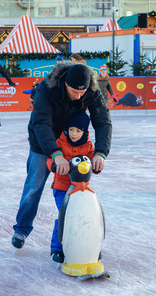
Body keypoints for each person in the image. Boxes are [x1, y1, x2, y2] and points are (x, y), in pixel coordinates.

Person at [11, 62, 112, 250]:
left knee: (74, 189)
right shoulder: (47, 88)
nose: (78, 96)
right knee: (34, 186)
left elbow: (103, 121)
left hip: (71, 143)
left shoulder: (91, 90)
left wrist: (100, 152)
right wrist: (55, 154)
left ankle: (73, 234)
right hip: (43, 144)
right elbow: (41, 123)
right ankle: (22, 229)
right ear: (65, 83)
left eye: (82, 93)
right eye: (75, 92)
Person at [46, 111, 96, 264]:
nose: (74, 134)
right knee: (66, 216)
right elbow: (50, 160)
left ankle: (86, 246)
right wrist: (55, 165)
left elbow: (93, 161)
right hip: (61, 189)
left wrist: (97, 165)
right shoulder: (59, 142)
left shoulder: (88, 146)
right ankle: (57, 249)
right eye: (71, 129)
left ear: (84, 131)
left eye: (78, 131)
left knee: (85, 217)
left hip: (82, 189)